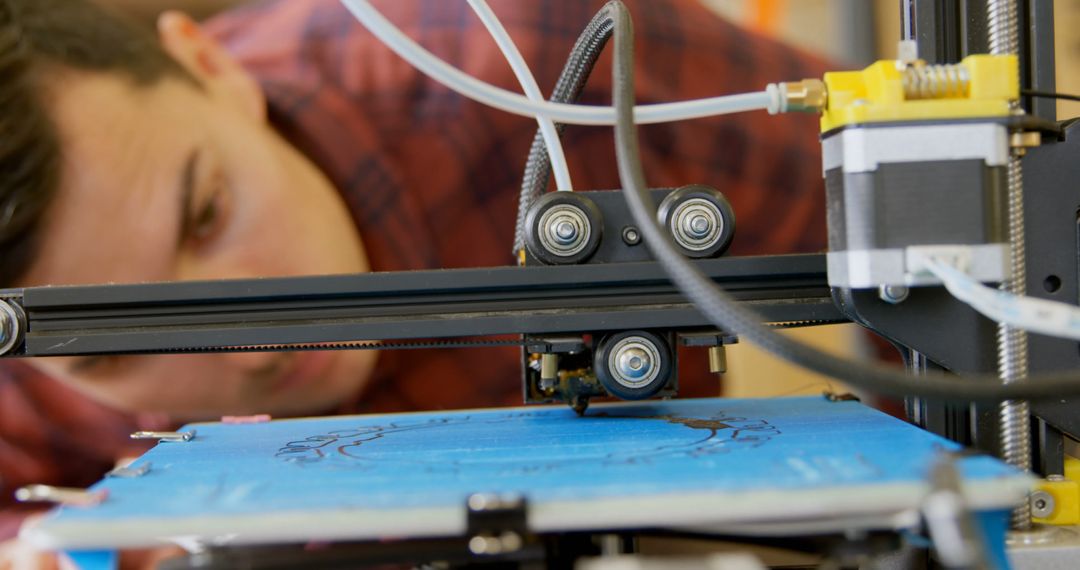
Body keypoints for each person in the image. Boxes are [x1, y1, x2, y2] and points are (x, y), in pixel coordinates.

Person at [0, 0, 829, 556]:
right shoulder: (19, 354)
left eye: (208, 213)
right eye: (110, 346)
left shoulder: (544, 73)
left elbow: (931, 250)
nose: (250, 347)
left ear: (207, 66)